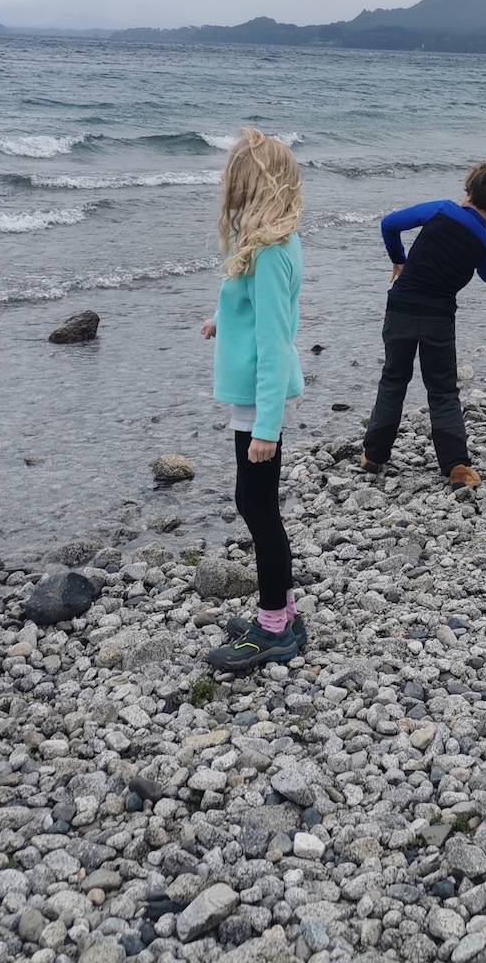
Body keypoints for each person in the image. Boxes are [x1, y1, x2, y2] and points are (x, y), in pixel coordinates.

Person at [362, 160, 486, 486]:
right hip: (439, 318)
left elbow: (389, 224)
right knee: (442, 390)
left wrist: (398, 260)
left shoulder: (442, 210)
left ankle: (374, 456)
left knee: (393, 379)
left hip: (402, 307)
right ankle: (456, 467)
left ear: (469, 191)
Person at [199, 129, 308, 673]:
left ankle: (273, 629)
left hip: (258, 402)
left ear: (254, 184)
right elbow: (257, 311)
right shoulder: (269, 243)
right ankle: (285, 614)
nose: (227, 185)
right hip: (253, 397)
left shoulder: (269, 253)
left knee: (259, 509)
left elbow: (275, 340)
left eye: (234, 176)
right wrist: (223, 320)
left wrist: (267, 426)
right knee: (255, 503)